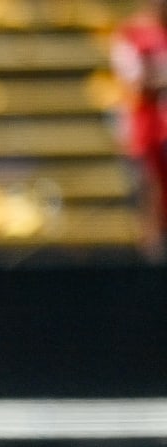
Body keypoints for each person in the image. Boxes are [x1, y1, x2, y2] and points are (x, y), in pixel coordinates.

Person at [112, 0, 167, 260]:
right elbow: (134, 84)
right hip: (147, 129)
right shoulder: (132, 35)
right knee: (149, 186)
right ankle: (152, 251)